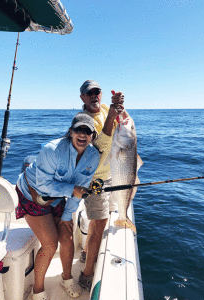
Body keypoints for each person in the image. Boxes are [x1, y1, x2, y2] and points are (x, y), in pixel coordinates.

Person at [15, 112, 100, 300]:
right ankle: (38, 290)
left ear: (93, 136)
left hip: (58, 198)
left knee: (67, 237)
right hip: (32, 194)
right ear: (71, 132)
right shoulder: (52, 150)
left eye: (88, 131)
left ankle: (67, 278)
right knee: (50, 243)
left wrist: (66, 217)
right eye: (79, 129)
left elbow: (81, 190)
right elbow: (45, 186)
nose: (83, 135)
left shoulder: (93, 156)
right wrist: (73, 190)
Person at [78, 80, 129, 291]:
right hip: (95, 178)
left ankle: (87, 252)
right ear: (82, 98)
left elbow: (124, 122)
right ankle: (87, 273)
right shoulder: (82, 121)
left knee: (99, 222)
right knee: (100, 224)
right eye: (89, 93)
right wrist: (111, 116)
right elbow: (100, 148)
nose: (94, 96)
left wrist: (120, 108)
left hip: (113, 173)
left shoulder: (107, 108)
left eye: (97, 92)